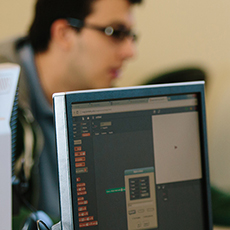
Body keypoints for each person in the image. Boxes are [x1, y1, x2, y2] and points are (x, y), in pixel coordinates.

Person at [0, 0, 143, 228]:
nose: (130, 51)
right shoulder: (4, 101)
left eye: (131, 36)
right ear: (64, 33)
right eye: (115, 32)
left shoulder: (102, 95)